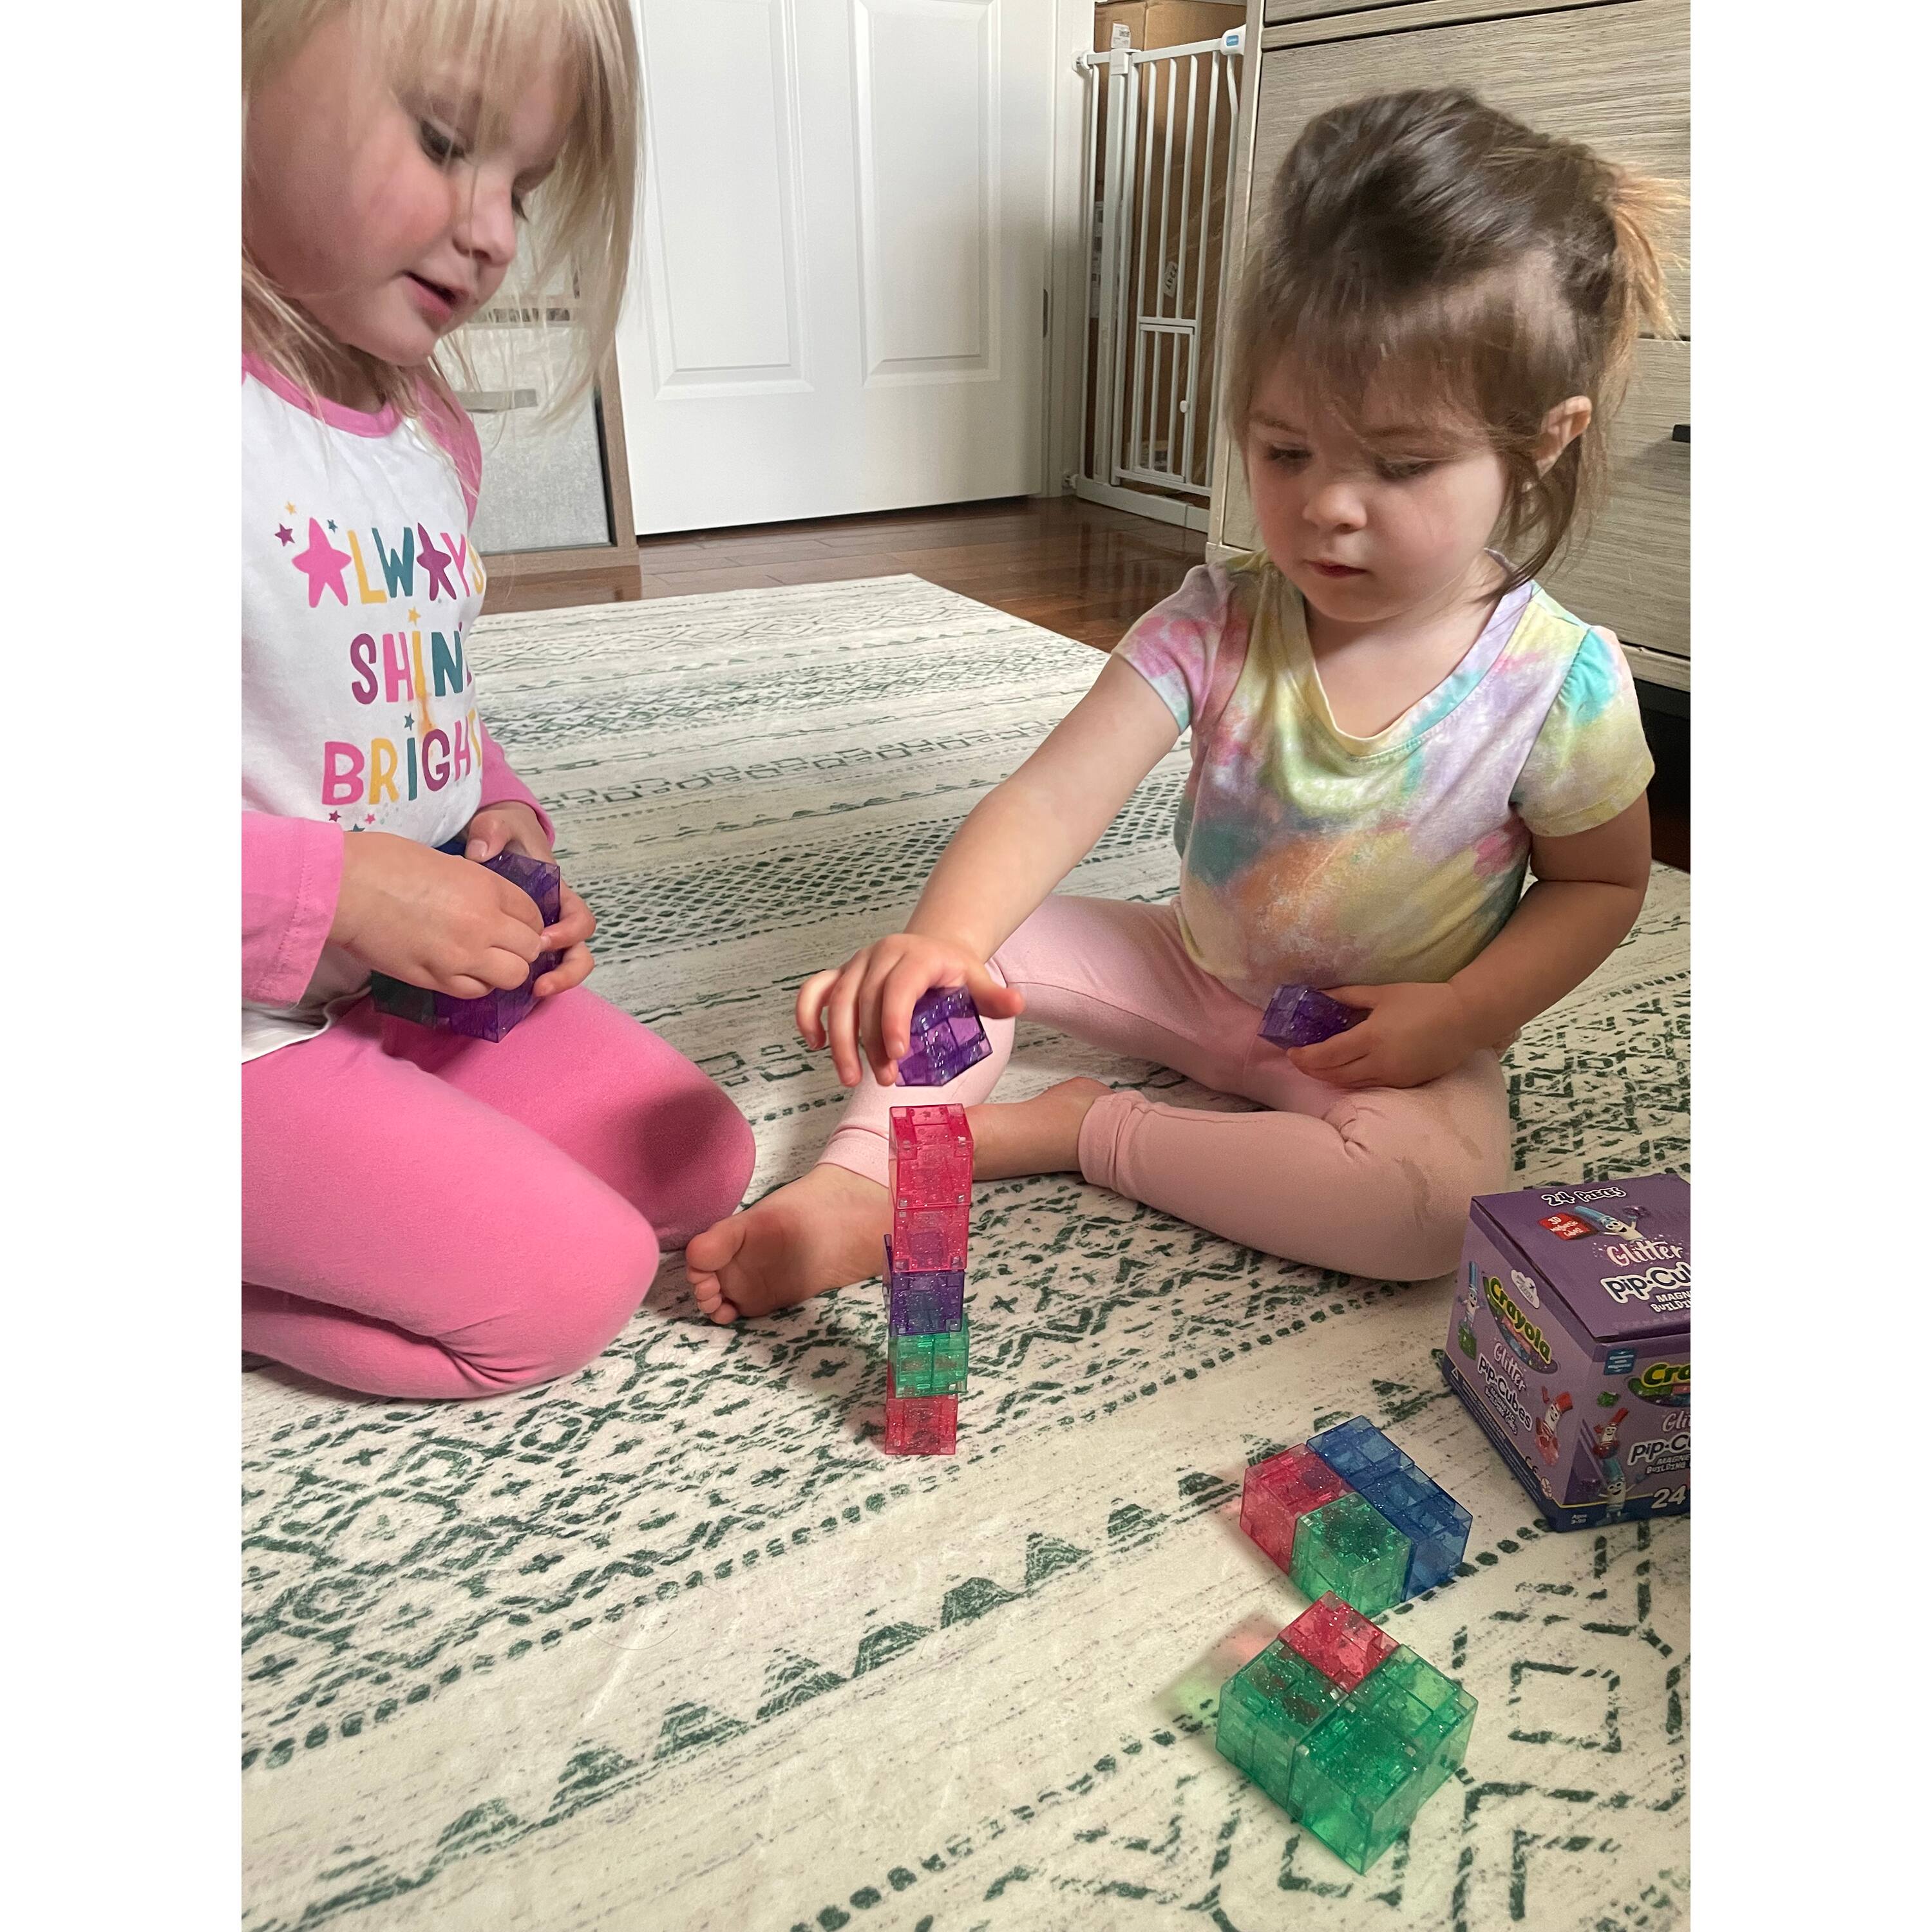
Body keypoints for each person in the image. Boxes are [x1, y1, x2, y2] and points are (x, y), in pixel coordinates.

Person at [688, 88, 1672, 1323]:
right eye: (1286, 450)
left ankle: (1077, 1131)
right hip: (1187, 965)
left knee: (1431, 1211)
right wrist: (944, 937)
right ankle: (862, 1176)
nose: (1327, 507)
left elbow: (1600, 886)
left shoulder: (1557, 682)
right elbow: (1052, 798)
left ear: (1541, 443)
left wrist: (1467, 1013)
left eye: (1402, 464)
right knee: (967, 951)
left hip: (1377, 1038)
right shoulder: (1220, 617)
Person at [242, 0, 753, 1396]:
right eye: (443, 140)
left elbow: (414, 687)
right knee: (565, 1287)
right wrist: (343, 890)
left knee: (695, 1156)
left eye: (521, 187)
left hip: (371, 989)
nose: (493, 234)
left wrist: (498, 818)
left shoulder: (426, 433)